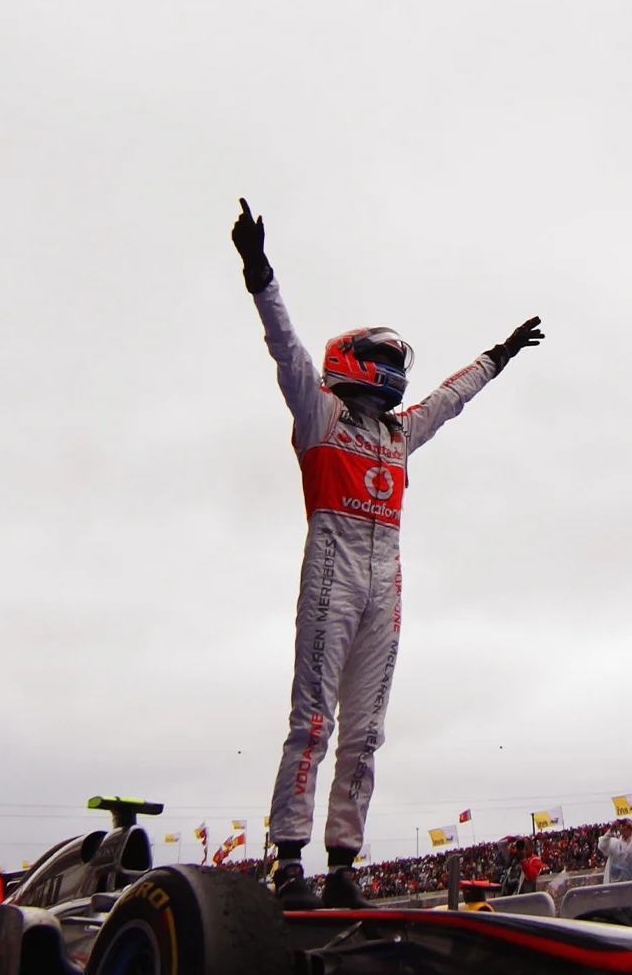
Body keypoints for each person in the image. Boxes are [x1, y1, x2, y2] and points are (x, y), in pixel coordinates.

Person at [232, 200, 543, 910]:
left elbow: (451, 398)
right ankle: (287, 858)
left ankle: (343, 860)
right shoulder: (320, 415)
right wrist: (260, 273)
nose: (391, 373)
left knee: (367, 730)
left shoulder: (400, 436)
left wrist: (498, 355)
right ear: (351, 362)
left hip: (387, 578)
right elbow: (284, 346)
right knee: (313, 720)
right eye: (379, 360)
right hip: (332, 568)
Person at [598, 818, 632, 884]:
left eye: (628, 827)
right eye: (623, 826)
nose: (625, 828)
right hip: (614, 885)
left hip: (631, 884)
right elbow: (601, 845)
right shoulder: (614, 843)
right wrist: (611, 830)